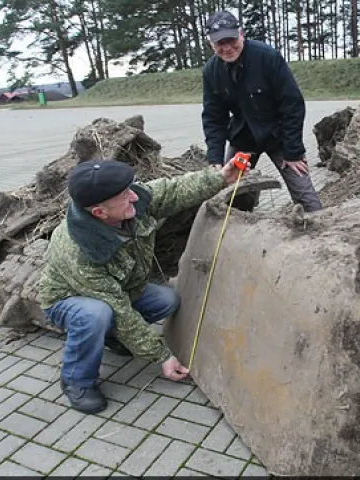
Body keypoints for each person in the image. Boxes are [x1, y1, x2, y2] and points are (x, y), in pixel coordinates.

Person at [38, 157, 247, 413]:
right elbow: (118, 308)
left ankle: (113, 338)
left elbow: (174, 190)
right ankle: (77, 380)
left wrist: (221, 178)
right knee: (96, 315)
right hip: (68, 299)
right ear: (100, 213)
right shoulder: (79, 250)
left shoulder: (132, 199)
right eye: (124, 196)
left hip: (120, 289)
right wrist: (162, 357)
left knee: (166, 300)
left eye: (129, 190)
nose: (134, 198)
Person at [201, 10, 322, 213]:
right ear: (211, 44)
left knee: (305, 194)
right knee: (232, 196)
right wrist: (215, 159)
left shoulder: (267, 57)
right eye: (220, 43)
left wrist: (293, 151)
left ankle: (321, 230)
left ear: (241, 33)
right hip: (244, 139)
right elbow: (214, 117)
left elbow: (292, 105)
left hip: (279, 136)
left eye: (231, 40)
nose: (227, 48)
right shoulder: (211, 71)